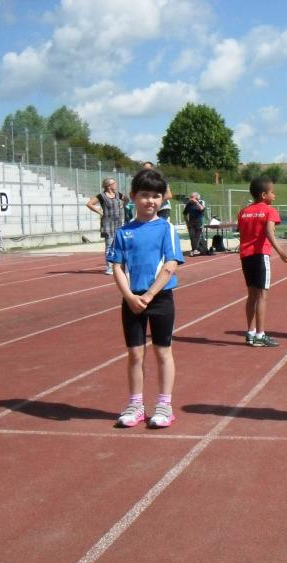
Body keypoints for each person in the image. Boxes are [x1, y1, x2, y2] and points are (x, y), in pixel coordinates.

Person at [107, 168, 184, 428]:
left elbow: (171, 264)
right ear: (133, 197)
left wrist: (150, 294)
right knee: (135, 354)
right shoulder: (123, 232)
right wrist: (129, 296)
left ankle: (164, 405)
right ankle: (136, 404)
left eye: (156, 196)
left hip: (160, 299)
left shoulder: (166, 229)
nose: (150, 201)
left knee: (163, 352)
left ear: (162, 199)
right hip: (132, 301)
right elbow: (117, 267)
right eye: (144, 195)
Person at [237, 176, 287, 347]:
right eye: (272, 192)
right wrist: (281, 251)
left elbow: (242, 233)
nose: (274, 195)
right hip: (260, 255)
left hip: (246, 256)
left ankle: (250, 332)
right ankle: (260, 334)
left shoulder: (243, 212)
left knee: (251, 295)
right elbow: (269, 232)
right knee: (262, 295)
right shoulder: (269, 210)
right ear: (263, 195)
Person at [86, 177, 127, 274]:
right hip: (107, 223)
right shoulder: (101, 196)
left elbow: (127, 199)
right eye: (114, 183)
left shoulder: (118, 194)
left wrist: (122, 205)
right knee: (109, 245)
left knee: (120, 244)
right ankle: (109, 267)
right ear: (109, 186)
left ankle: (119, 265)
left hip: (118, 223)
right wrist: (100, 212)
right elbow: (89, 204)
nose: (116, 185)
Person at [183, 191, 206, 256]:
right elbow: (185, 214)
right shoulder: (189, 204)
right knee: (192, 236)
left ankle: (196, 250)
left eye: (192, 197)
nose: (190, 198)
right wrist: (187, 222)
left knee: (197, 237)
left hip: (199, 222)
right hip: (191, 222)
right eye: (190, 197)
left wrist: (196, 202)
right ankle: (194, 250)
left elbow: (201, 209)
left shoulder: (201, 202)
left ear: (196, 197)